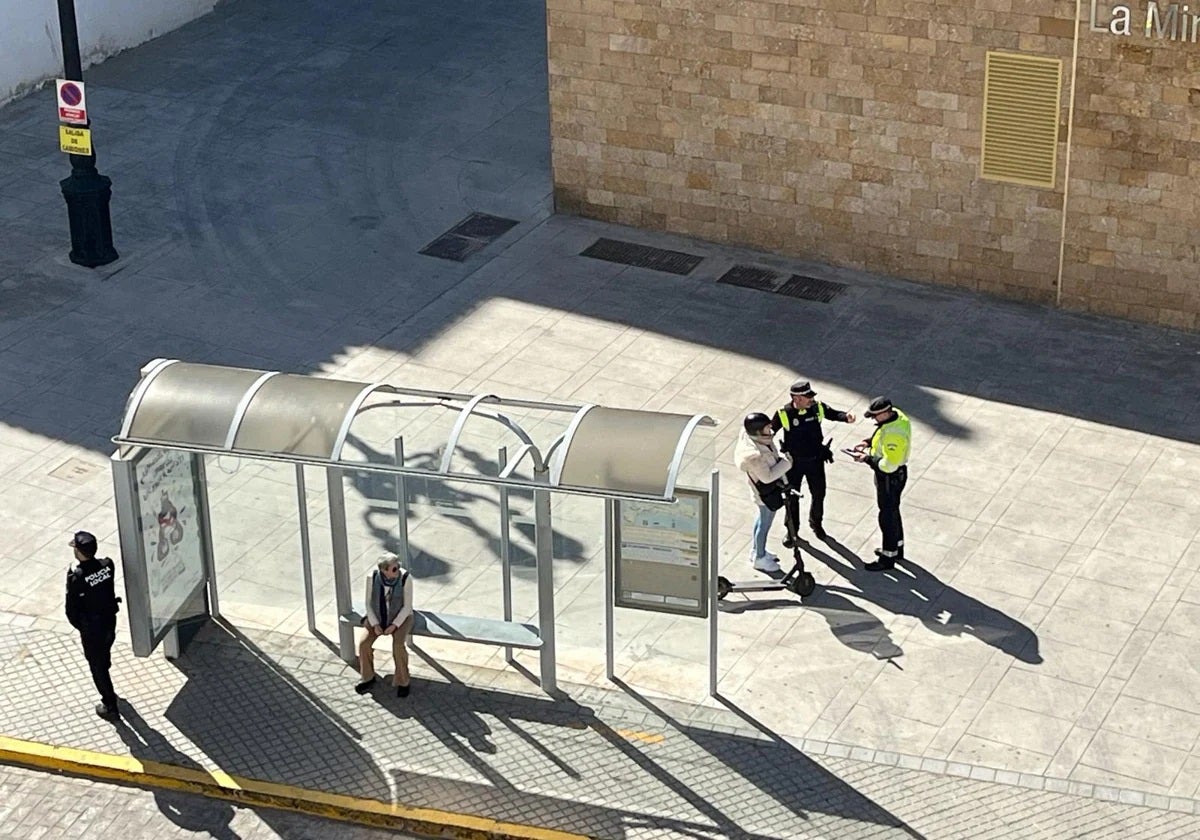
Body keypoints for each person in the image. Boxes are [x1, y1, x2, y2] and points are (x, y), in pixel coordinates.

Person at [771, 379, 856, 541]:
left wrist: (846, 417)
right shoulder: (784, 413)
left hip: (815, 460)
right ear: (796, 399)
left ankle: (816, 523)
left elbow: (833, 414)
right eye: (807, 397)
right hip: (793, 463)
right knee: (791, 497)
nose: (811, 400)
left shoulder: (817, 408)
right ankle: (791, 530)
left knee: (819, 494)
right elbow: (770, 431)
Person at [851, 397, 911, 571]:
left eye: (876, 416)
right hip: (895, 476)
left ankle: (888, 557)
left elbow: (888, 465)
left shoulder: (894, 434)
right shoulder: (897, 416)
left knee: (886, 516)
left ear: (886, 413)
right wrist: (868, 442)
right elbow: (882, 433)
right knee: (893, 511)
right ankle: (897, 548)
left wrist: (867, 458)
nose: (874, 420)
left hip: (889, 478)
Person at [65, 531, 121, 719]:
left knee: (97, 667)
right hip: (109, 622)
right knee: (104, 655)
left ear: (79, 552)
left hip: (92, 628)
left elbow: (71, 610)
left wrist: (82, 626)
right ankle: (106, 677)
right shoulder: (107, 565)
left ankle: (110, 705)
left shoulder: (77, 577)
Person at [735, 412, 793, 573]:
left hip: (762, 490)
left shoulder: (755, 437)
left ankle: (757, 550)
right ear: (759, 431)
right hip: (764, 493)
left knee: (761, 519)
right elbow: (767, 477)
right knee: (765, 523)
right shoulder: (753, 456)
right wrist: (787, 462)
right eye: (767, 427)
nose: (771, 429)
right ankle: (760, 557)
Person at [356, 553, 414, 697]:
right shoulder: (373, 577)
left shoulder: (405, 578)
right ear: (384, 570)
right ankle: (368, 677)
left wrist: (394, 625)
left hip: (401, 617)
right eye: (394, 569)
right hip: (378, 615)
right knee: (364, 644)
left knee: (398, 645)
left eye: (398, 567)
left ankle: (403, 681)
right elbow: (368, 604)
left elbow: (407, 607)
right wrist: (375, 624)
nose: (397, 571)